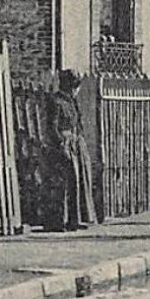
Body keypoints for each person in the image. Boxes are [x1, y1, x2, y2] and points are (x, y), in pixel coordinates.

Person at [47, 69, 97, 231]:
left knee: (80, 181)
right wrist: (61, 144)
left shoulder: (72, 102)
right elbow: (52, 127)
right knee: (67, 183)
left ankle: (76, 220)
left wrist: (79, 141)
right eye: (75, 87)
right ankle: (60, 221)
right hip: (64, 145)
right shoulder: (55, 101)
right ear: (69, 86)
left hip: (76, 143)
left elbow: (78, 123)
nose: (77, 91)